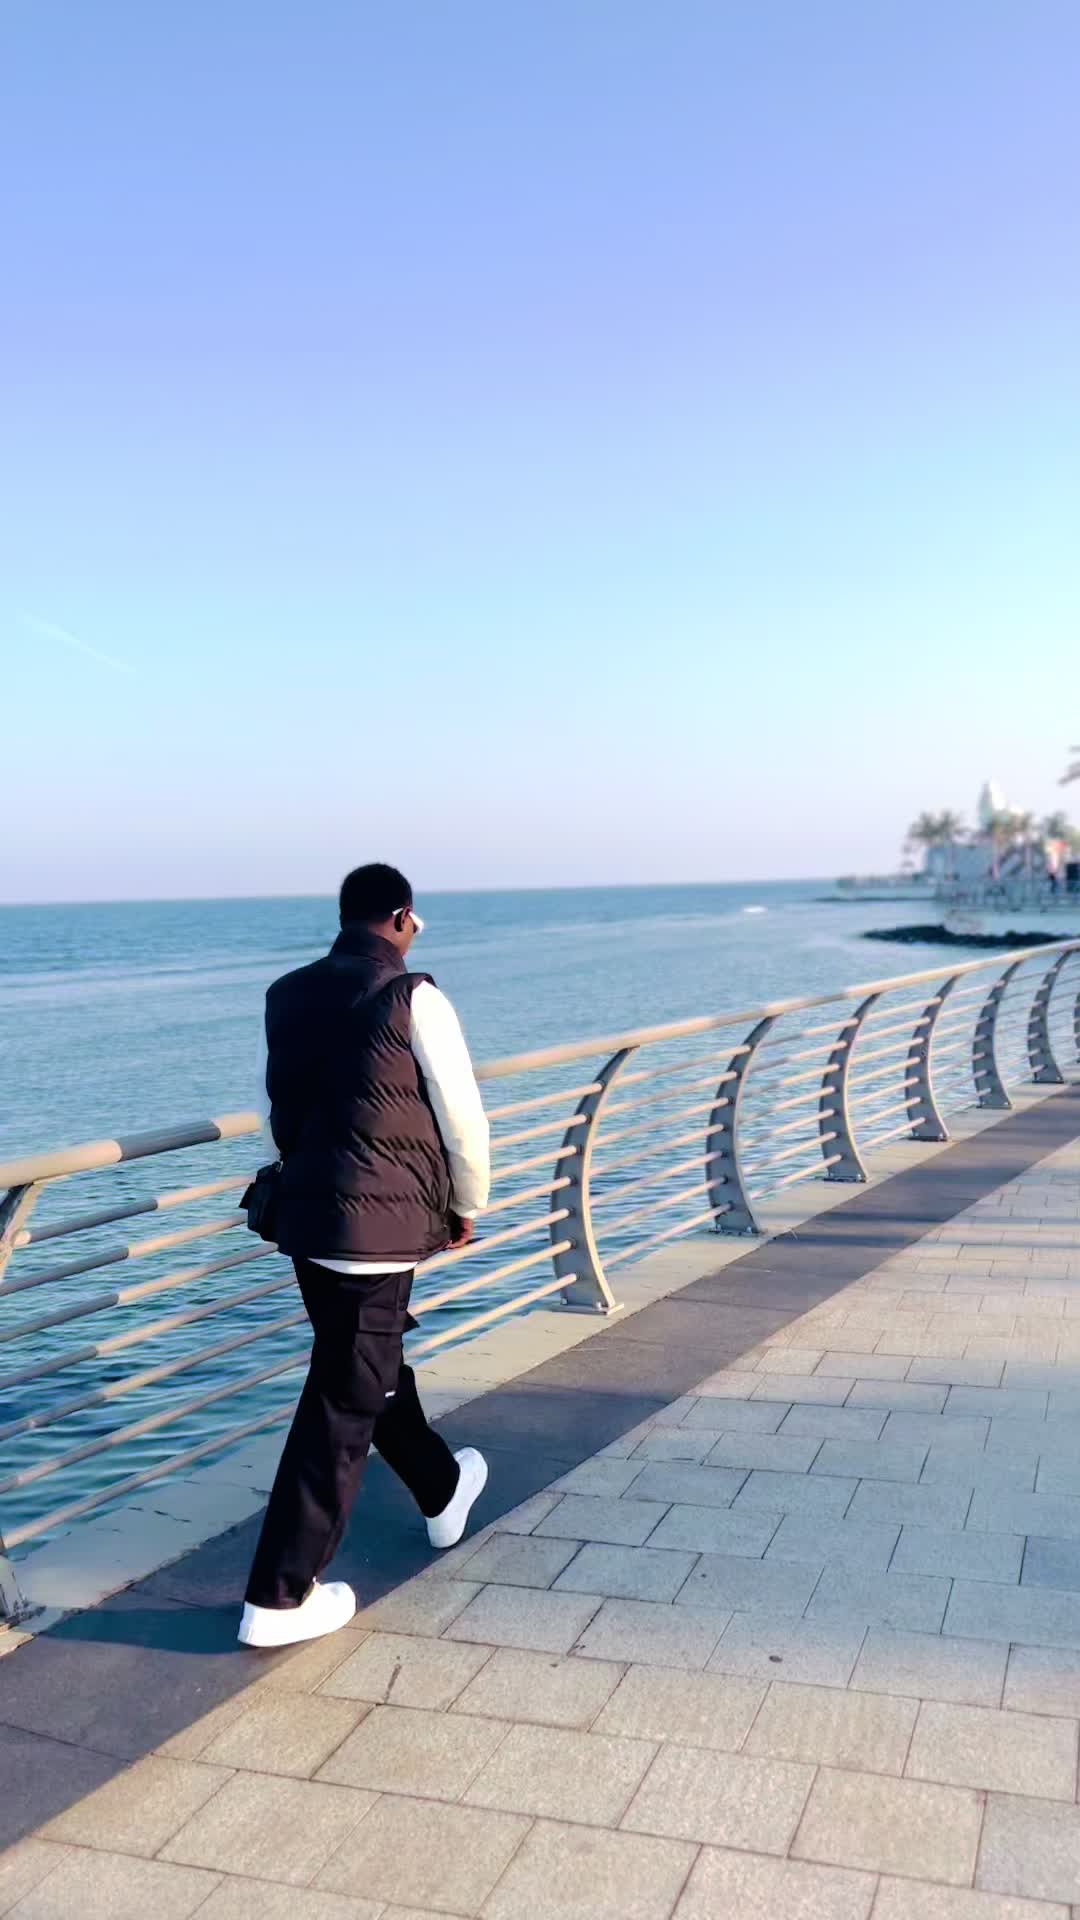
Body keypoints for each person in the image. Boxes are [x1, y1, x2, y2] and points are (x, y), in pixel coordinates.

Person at [239, 862, 490, 1648]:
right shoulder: (414, 996)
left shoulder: (286, 993)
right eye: (414, 923)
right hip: (375, 1230)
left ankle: (442, 1488)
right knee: (343, 1403)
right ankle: (279, 1597)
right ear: (402, 918)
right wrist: (467, 1204)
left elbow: (273, 1108)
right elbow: (461, 1114)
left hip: (309, 1222)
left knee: (364, 1367)